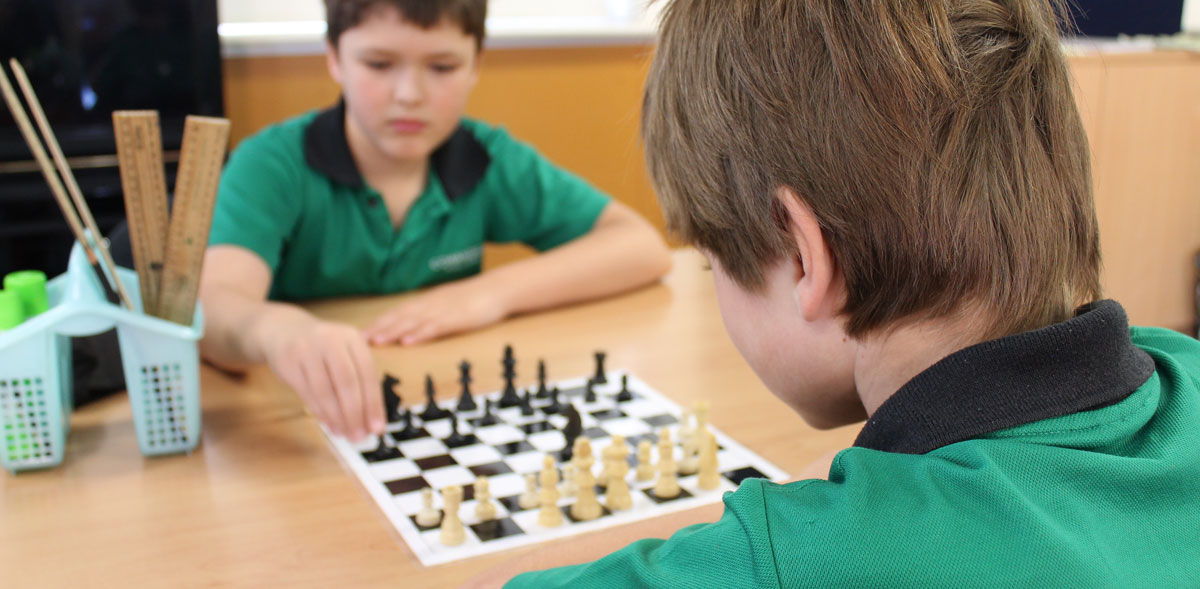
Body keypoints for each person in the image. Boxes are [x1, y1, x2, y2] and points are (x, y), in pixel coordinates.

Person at [477, 0, 1200, 586]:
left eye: (712, 263)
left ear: (802, 256)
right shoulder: (1183, 368)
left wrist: (776, 532)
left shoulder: (795, 557)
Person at [197, 0, 672, 442]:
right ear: (334, 58)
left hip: (432, 413)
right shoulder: (271, 164)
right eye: (379, 64)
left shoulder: (488, 158)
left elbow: (641, 247)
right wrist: (275, 331)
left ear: (476, 65)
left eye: (442, 67)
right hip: (302, 426)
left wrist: (490, 293)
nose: (409, 95)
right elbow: (214, 308)